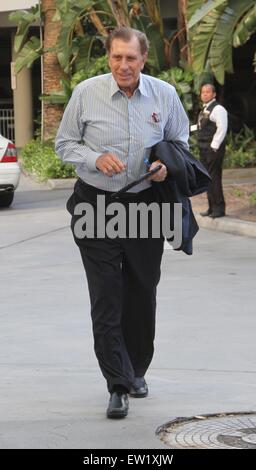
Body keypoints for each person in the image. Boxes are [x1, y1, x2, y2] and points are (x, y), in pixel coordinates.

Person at [55, 26, 189, 419]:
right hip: (95, 204)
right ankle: (117, 382)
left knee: (142, 293)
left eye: (131, 58)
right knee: (106, 295)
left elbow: (180, 142)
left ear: (143, 59)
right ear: (108, 57)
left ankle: (137, 368)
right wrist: (94, 158)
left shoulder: (163, 94)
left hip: (146, 205)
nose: (123, 65)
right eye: (117, 57)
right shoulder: (86, 93)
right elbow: (64, 144)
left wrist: (167, 166)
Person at [197, 83, 228, 218]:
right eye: (203, 92)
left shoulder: (218, 108)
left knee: (214, 178)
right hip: (203, 147)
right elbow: (200, 126)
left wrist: (213, 147)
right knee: (207, 178)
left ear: (214, 94)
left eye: (207, 92)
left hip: (213, 149)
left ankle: (219, 209)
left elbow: (222, 128)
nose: (204, 94)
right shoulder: (205, 109)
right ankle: (211, 207)